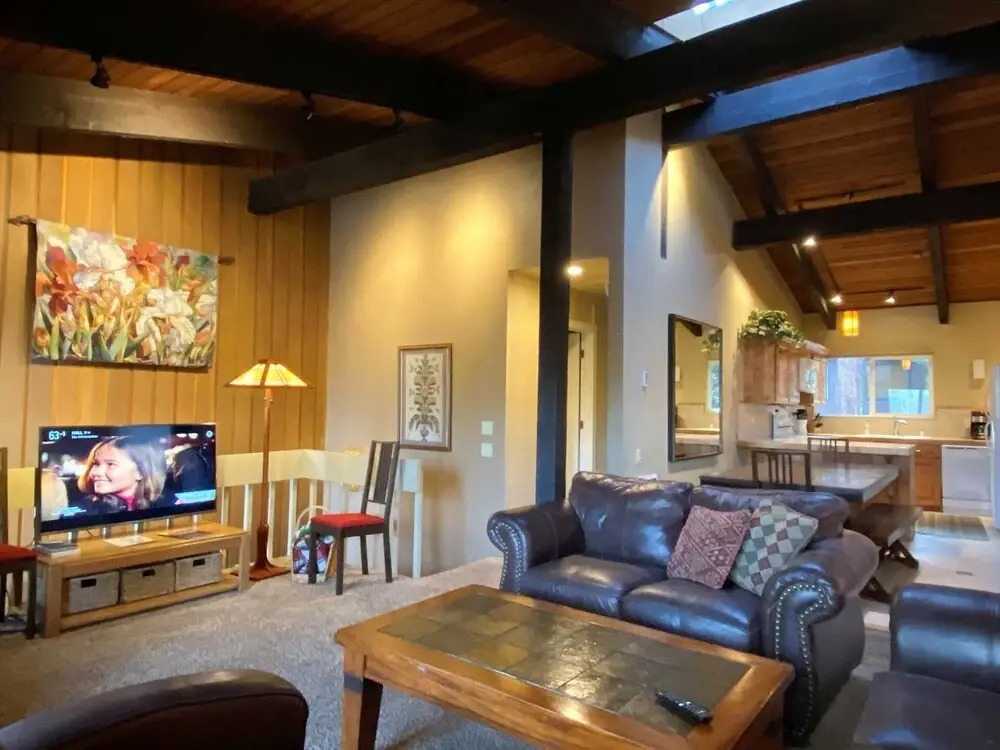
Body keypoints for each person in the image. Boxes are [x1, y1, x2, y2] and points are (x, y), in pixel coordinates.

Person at [77, 436, 167, 515]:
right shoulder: (83, 510)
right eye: (96, 464)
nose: (96, 472)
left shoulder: (164, 506)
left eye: (111, 464)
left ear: (140, 472)